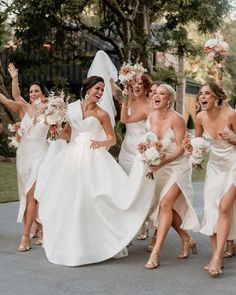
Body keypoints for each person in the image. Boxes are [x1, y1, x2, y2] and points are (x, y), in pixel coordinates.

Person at [34, 76, 156, 266]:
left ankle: (98, 242)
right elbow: (67, 134)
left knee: (93, 199)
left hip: (93, 156)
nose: (100, 93)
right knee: (70, 198)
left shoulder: (102, 114)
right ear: (87, 88)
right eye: (97, 89)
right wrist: (54, 130)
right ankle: (72, 244)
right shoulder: (72, 108)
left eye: (102, 90)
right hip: (72, 156)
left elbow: (112, 139)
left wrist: (101, 142)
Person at [144, 84, 199, 269]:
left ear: (169, 100)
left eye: (162, 94)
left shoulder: (177, 119)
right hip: (160, 166)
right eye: (155, 93)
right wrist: (146, 151)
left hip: (177, 166)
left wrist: (163, 161)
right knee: (167, 208)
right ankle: (186, 239)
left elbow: (181, 148)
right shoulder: (151, 116)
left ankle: (156, 252)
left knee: (165, 204)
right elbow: (150, 141)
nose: (156, 96)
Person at [0, 82, 48, 252]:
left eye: (37, 91)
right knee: (28, 195)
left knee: (31, 195)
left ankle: (25, 236)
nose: (33, 94)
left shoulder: (51, 110)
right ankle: (40, 225)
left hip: (41, 155)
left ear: (43, 94)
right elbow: (7, 99)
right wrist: (14, 79)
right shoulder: (23, 108)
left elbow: (59, 133)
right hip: (24, 156)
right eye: (31, 91)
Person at [195, 82, 236, 277]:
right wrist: (194, 152)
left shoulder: (231, 114)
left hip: (234, 164)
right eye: (201, 94)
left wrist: (232, 138)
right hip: (214, 166)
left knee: (224, 208)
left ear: (216, 97)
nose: (203, 97)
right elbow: (196, 143)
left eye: (207, 94)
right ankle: (216, 253)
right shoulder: (200, 117)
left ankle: (217, 258)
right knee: (211, 208)